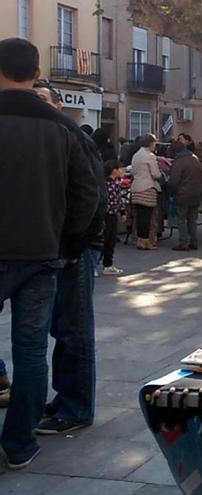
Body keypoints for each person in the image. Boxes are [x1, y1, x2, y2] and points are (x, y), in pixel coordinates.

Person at [0, 37, 99, 468]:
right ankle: (19, 443)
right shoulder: (65, 128)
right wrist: (69, 244)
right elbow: (88, 195)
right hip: (42, 256)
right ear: (37, 72)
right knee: (31, 350)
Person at [168, 141, 202, 251]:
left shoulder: (179, 162)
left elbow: (174, 181)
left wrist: (171, 191)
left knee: (182, 219)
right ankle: (194, 241)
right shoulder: (194, 158)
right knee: (192, 219)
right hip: (197, 192)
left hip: (183, 194)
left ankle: (183, 242)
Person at [131, 134, 162, 250]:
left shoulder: (136, 155)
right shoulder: (150, 156)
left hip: (136, 187)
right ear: (150, 143)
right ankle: (146, 241)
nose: (155, 145)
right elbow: (155, 174)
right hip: (147, 188)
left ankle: (139, 240)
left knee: (139, 216)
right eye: (154, 143)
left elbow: (133, 171)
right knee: (147, 216)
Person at [101, 159, 126, 275]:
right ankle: (97, 263)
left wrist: (122, 212)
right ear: (114, 170)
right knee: (103, 240)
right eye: (120, 168)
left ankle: (108, 264)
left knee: (110, 241)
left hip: (113, 215)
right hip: (105, 215)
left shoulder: (116, 183)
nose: (123, 171)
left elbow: (119, 200)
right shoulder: (105, 184)